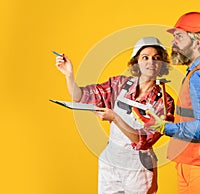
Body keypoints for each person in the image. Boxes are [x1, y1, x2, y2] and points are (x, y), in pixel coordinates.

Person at [55, 37, 175, 194]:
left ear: (162, 65)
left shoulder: (164, 102)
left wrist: (115, 118)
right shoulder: (119, 85)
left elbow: (144, 141)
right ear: (136, 62)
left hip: (138, 166)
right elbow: (81, 96)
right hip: (110, 162)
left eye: (156, 58)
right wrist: (69, 75)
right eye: (145, 57)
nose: (150, 62)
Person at [133, 12, 200, 194]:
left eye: (179, 36)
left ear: (198, 42)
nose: (173, 42)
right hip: (196, 164)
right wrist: (175, 120)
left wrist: (163, 127)